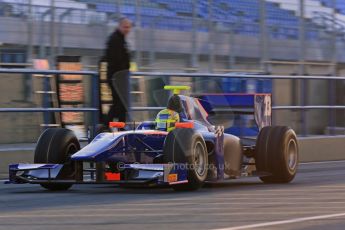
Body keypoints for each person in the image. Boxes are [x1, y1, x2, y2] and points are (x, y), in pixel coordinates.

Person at [104, 17, 132, 124]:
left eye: (128, 27)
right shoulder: (115, 39)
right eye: (125, 27)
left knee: (120, 103)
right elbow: (116, 59)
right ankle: (108, 124)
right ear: (119, 26)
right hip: (116, 77)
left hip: (120, 77)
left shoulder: (121, 39)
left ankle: (119, 125)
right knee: (119, 103)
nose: (127, 29)